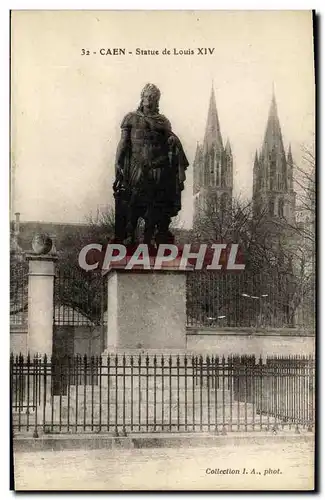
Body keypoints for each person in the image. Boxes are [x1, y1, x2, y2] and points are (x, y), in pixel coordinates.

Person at [114, 83, 188, 245]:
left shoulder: (163, 121)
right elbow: (123, 143)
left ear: (157, 100)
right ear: (142, 97)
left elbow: (169, 141)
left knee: (155, 206)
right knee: (133, 201)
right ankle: (129, 235)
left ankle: (151, 239)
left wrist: (173, 141)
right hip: (136, 167)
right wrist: (117, 164)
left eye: (152, 97)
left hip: (158, 168)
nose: (148, 99)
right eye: (146, 96)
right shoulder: (131, 118)